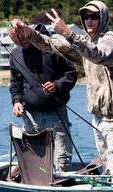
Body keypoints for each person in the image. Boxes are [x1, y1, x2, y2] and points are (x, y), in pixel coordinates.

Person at [13, 1, 113, 179]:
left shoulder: (110, 41)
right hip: (99, 119)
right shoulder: (85, 42)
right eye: (86, 17)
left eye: (94, 16)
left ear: (104, 18)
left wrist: (68, 33)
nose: (89, 21)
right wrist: (29, 32)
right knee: (109, 170)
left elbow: (98, 55)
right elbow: (53, 45)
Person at [8, 18, 77, 173]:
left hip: (56, 114)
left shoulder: (50, 47)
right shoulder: (15, 55)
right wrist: (17, 101)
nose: (21, 41)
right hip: (30, 117)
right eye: (15, 40)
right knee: (37, 165)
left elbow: (71, 74)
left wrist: (57, 85)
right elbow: (15, 84)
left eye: (23, 37)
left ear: (27, 30)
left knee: (62, 161)